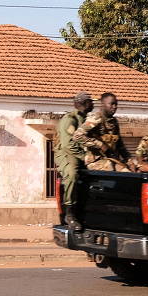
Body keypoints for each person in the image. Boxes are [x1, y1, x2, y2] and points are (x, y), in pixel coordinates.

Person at [54, 92, 94, 232]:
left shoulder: (87, 119)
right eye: (90, 102)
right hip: (66, 153)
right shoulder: (70, 119)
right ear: (83, 104)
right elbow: (68, 145)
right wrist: (84, 157)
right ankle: (69, 212)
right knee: (72, 173)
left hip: (81, 153)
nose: (93, 104)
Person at [72, 92, 134, 172]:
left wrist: (130, 161)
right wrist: (100, 144)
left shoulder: (114, 122)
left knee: (130, 175)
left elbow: (120, 145)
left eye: (116, 104)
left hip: (112, 160)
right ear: (103, 104)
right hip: (96, 161)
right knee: (113, 172)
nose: (114, 107)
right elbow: (77, 136)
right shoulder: (96, 118)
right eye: (111, 104)